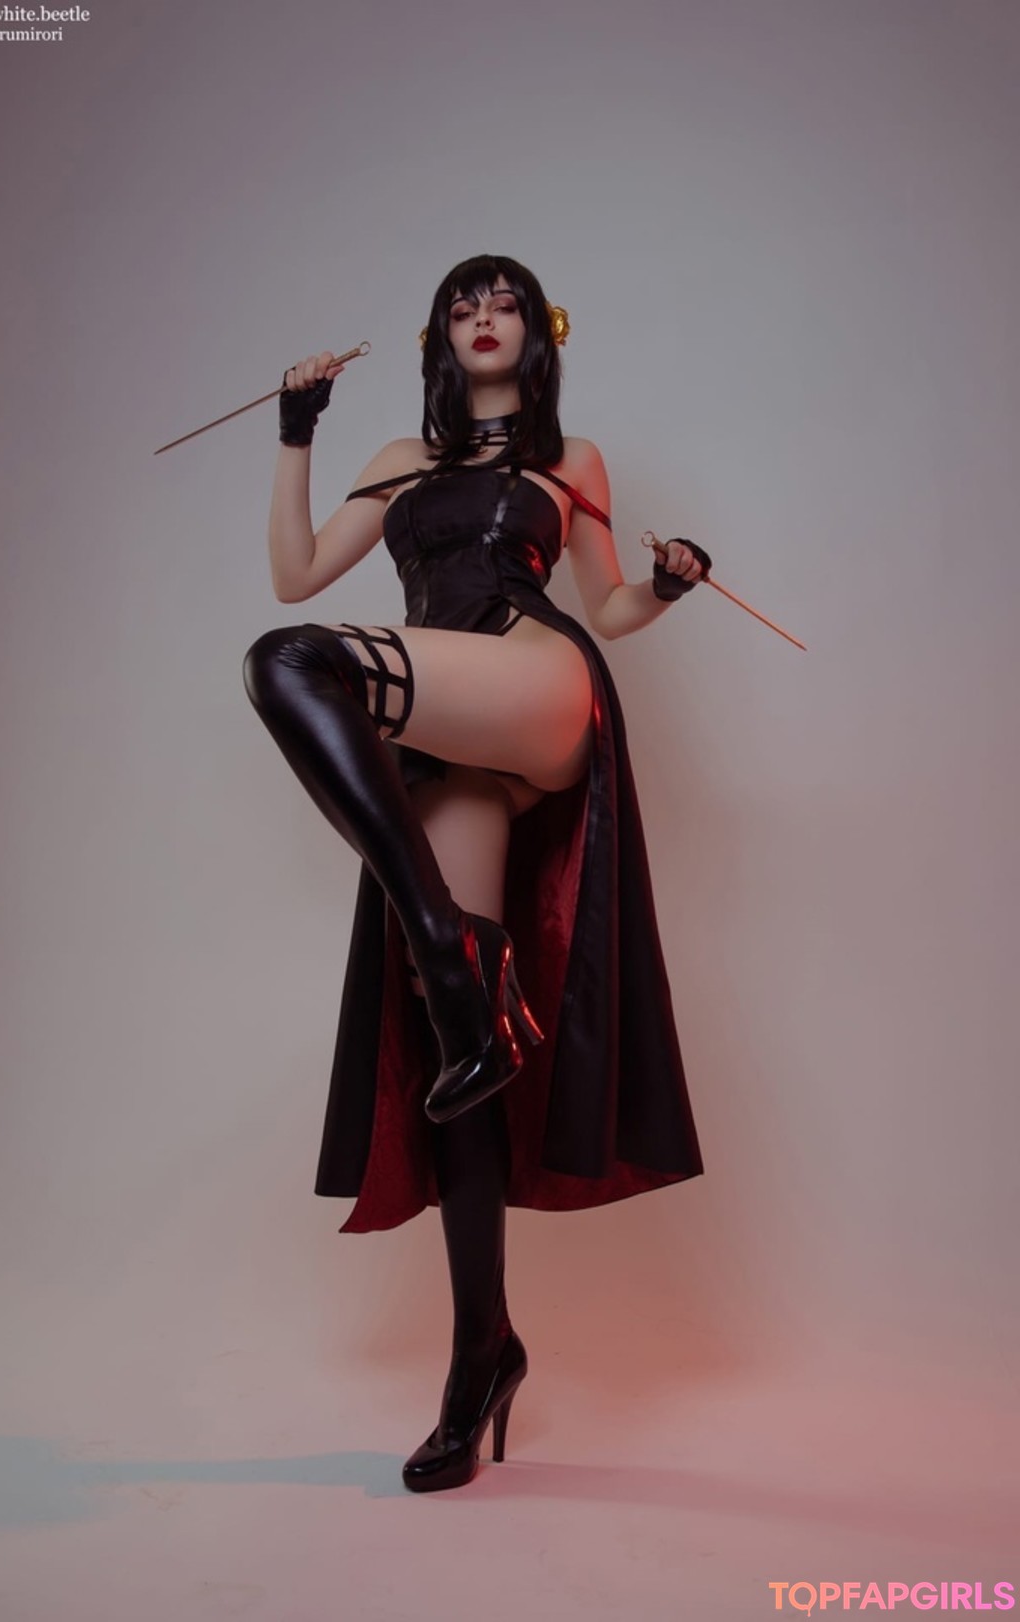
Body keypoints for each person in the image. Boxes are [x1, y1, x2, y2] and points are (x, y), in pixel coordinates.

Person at [242, 254, 708, 1493]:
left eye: (503, 302)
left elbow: (606, 605)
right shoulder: (400, 458)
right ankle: (481, 1350)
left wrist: (663, 585)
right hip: (452, 736)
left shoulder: (571, 459)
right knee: (465, 1047)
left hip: (534, 680)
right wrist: (296, 433)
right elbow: (297, 571)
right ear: (438, 338)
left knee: (292, 661)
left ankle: (450, 953)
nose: (484, 317)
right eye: (463, 304)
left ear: (535, 333)